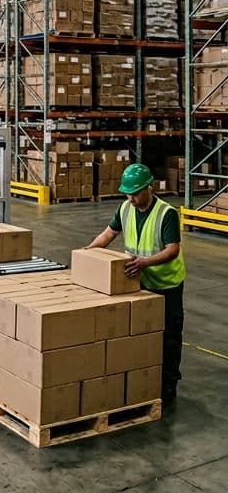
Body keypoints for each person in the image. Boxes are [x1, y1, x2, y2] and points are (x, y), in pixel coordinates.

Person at [83, 163, 185, 403]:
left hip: (166, 285)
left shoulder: (166, 213)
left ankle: (168, 386)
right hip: (139, 282)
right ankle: (143, 380)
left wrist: (145, 262)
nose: (131, 198)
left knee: (168, 337)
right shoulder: (125, 208)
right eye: (127, 193)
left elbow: (172, 250)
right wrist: (87, 251)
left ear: (149, 188)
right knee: (139, 334)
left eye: (135, 193)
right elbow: (108, 234)